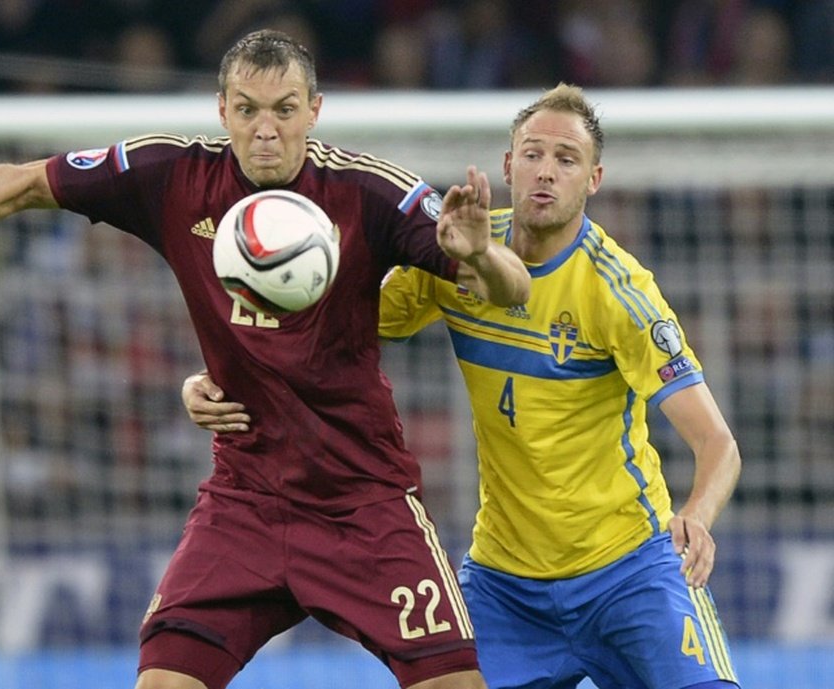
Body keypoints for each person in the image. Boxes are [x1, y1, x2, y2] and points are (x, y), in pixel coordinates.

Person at [0, 29, 531, 689]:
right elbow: (24, 182)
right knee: (162, 681)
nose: (266, 129)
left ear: (314, 110)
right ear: (223, 111)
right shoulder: (174, 174)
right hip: (245, 500)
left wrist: (480, 254)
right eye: (247, 109)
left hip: (362, 502)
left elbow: (512, 289)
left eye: (284, 109)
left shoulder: (369, 191)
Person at [182, 83, 742, 689]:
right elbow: (317, 331)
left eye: (566, 159)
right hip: (506, 585)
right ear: (507, 165)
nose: (545, 172)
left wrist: (698, 513)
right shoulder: (461, 255)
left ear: (594, 179)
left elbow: (717, 442)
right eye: (532, 154)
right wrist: (212, 377)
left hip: (628, 574)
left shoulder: (618, 292)